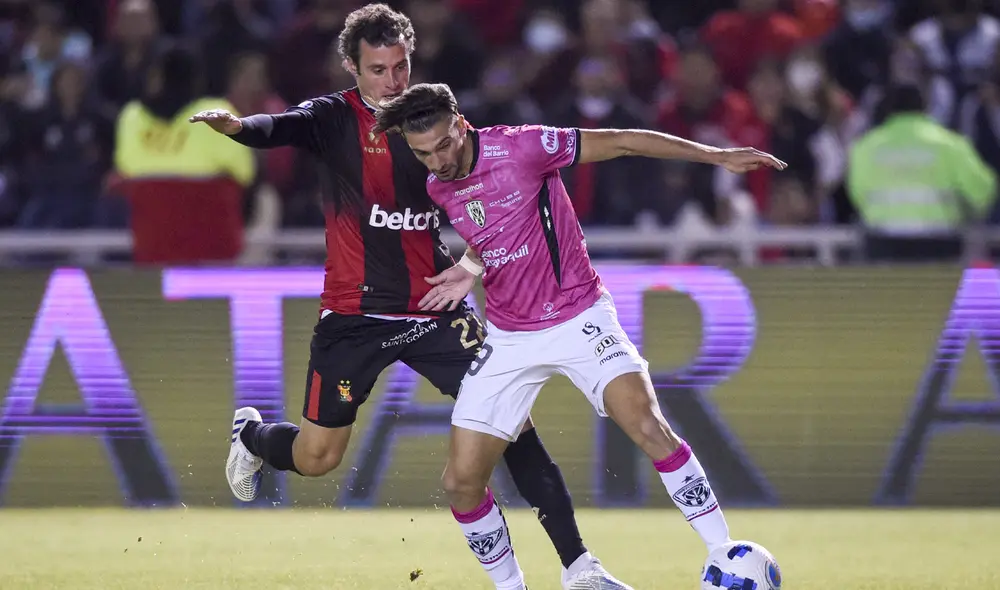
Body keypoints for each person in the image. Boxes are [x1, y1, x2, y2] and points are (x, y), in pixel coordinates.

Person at [189, 4, 627, 590]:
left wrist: (473, 264)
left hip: (434, 309)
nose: (393, 81)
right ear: (352, 68)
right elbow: (283, 126)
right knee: (319, 458)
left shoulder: (434, 121)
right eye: (377, 70)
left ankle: (580, 570)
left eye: (400, 66)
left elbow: (493, 196)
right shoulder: (333, 118)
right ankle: (250, 435)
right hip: (353, 315)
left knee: (515, 429)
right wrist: (242, 128)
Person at [372, 82, 786, 589]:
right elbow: (495, 227)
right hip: (508, 336)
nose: (436, 161)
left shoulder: (523, 147)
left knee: (646, 423)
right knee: (460, 483)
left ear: (461, 125)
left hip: (579, 316)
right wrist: (470, 265)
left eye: (443, 145)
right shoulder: (438, 185)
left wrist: (714, 156)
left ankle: (723, 551)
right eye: (422, 153)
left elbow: (622, 140)